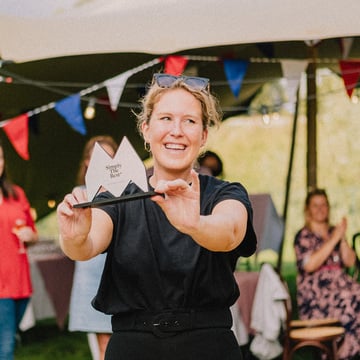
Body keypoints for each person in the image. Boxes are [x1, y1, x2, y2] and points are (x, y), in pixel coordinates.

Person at [57, 73, 257, 360]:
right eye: (165, 119)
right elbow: (86, 244)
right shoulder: (119, 196)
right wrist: (73, 235)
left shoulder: (225, 193)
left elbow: (230, 232)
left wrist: (196, 224)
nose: (176, 130)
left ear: (203, 135)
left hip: (209, 347)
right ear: (146, 130)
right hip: (133, 348)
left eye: (189, 120)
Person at [294, 188, 360, 360]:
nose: (320, 209)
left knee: (354, 296)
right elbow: (310, 265)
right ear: (308, 210)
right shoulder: (303, 236)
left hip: (343, 289)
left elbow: (350, 261)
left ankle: (345, 351)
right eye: (315, 206)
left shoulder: (334, 232)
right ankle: (343, 353)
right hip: (317, 298)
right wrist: (333, 239)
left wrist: (342, 237)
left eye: (323, 205)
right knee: (350, 298)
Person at [68, 135, 117, 360]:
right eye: (98, 156)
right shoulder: (80, 194)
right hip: (92, 276)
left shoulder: (128, 193)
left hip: (122, 273)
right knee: (104, 345)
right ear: (87, 161)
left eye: (110, 156)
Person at [0, 140, 38, 360]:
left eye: (1, 157)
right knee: (6, 350)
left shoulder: (16, 194)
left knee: (8, 339)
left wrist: (30, 236)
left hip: (21, 283)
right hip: (1, 288)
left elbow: (33, 234)